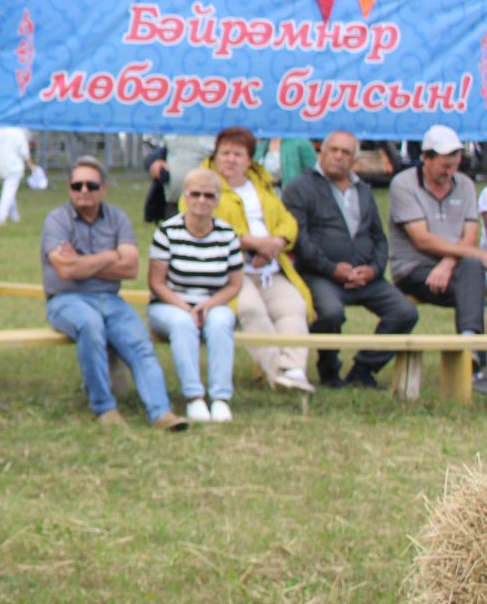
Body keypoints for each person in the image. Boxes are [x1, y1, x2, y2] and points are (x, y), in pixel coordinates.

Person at [43, 158, 188, 430]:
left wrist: (83, 262)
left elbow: (131, 267)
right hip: (65, 300)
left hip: (110, 299)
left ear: (104, 188)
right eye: (77, 185)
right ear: (69, 188)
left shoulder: (117, 218)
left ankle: (161, 413)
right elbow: (64, 270)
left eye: (91, 185)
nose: (84, 190)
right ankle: (104, 408)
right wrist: (111, 256)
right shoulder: (56, 220)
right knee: (90, 326)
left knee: (140, 344)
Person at [286, 130, 415, 389]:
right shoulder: (301, 187)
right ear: (321, 153)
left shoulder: (364, 190)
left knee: (404, 312)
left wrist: (374, 269)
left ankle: (363, 370)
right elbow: (300, 240)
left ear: (355, 160)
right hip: (319, 274)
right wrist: (333, 269)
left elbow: (379, 238)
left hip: (366, 277)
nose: (338, 157)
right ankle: (329, 371)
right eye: (333, 150)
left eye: (346, 153)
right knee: (330, 312)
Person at [204, 126, 314, 392]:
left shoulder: (263, 186)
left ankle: (295, 369)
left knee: (294, 308)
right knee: (251, 310)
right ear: (216, 155)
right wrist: (255, 244)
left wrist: (277, 242)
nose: (230, 159)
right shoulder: (203, 185)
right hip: (229, 272)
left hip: (271, 268)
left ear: (249, 159)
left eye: (237, 154)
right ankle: (277, 372)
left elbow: (288, 221)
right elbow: (204, 226)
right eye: (225, 153)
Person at [388, 124, 487, 393]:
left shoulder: (465, 184)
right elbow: (423, 240)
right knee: (474, 276)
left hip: (455, 269)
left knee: (472, 269)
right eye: (445, 166)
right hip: (413, 269)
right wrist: (464, 256)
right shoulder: (403, 185)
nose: (450, 172)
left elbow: (471, 234)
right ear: (426, 158)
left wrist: (447, 263)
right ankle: (474, 356)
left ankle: (471, 347)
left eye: (454, 165)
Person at [147, 169, 243, 423]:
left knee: (222, 321)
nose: (202, 201)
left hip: (213, 302)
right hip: (169, 303)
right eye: (195, 194)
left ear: (218, 199)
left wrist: (207, 305)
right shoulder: (167, 232)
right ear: (186, 197)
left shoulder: (228, 235)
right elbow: (156, 283)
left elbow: (234, 285)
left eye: (209, 195)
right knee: (182, 323)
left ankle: (221, 397)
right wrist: (187, 308)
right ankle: (194, 396)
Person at [0, 125, 33, 226]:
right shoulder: (16, 131)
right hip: (14, 167)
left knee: (9, 192)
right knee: (8, 193)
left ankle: (15, 218)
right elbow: (24, 151)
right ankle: (1, 218)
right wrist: (30, 164)